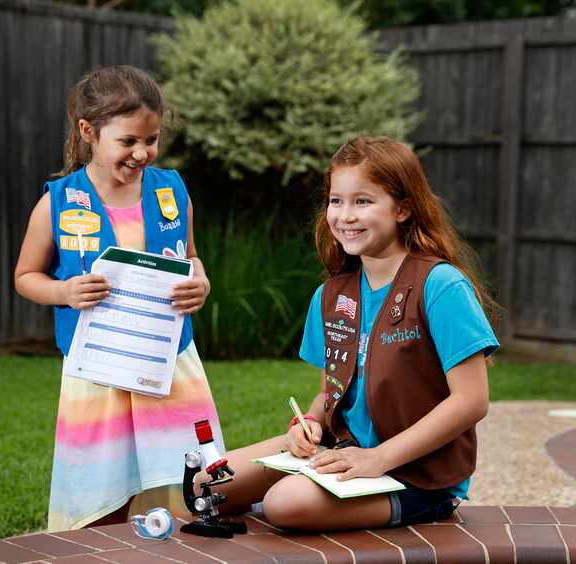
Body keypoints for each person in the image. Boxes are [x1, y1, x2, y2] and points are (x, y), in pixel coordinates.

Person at [209, 136, 499, 530]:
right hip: (344, 450)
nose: (345, 215)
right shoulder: (332, 295)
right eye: (336, 201)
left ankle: (423, 508)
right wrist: (308, 423)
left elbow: (471, 401)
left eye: (363, 201)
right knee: (210, 485)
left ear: (403, 209)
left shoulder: (441, 285)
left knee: (284, 503)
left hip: (416, 474)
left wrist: (377, 458)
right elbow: (332, 391)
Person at [14, 65, 223, 531]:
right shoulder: (60, 202)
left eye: (151, 139)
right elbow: (25, 276)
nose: (142, 152)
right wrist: (64, 291)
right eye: (128, 141)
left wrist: (200, 283)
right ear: (88, 131)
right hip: (99, 373)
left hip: (168, 365)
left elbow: (190, 257)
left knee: (185, 487)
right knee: (98, 491)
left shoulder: (171, 191)